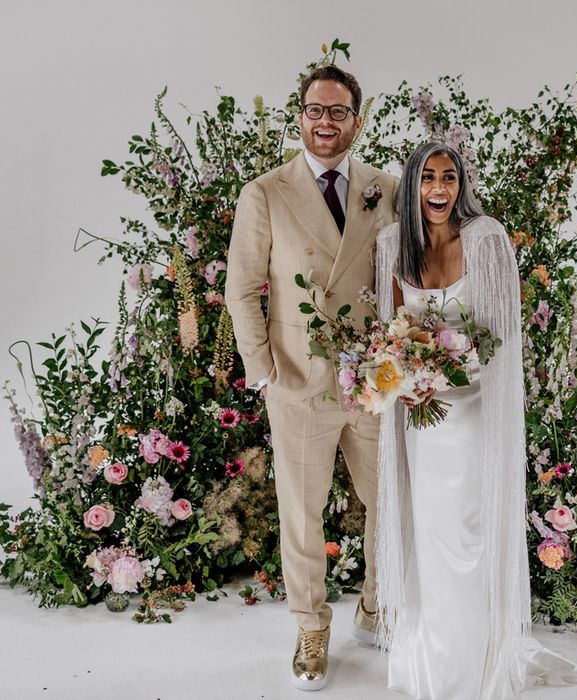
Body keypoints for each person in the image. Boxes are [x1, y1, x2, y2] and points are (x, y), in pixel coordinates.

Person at [375, 142, 577, 699]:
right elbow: (392, 331)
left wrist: (447, 370)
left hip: (470, 413)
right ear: (412, 186)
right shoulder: (391, 246)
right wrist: (405, 372)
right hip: (422, 417)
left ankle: (471, 665)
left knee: (466, 532)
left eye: (448, 178)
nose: (439, 189)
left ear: (460, 184)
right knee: (427, 529)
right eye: (427, 178)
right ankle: (430, 658)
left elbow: (502, 337)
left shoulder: (486, 239)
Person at [225, 65, 398, 691]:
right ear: (299, 115)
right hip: (299, 380)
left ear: (358, 118)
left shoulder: (389, 187)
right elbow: (242, 289)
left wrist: (411, 358)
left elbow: (405, 281)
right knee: (303, 514)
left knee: (390, 501)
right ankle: (311, 627)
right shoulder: (266, 192)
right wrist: (263, 372)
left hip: (376, 379)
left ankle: (380, 608)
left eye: (338, 111)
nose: (326, 121)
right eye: (315, 110)